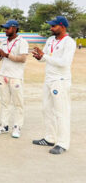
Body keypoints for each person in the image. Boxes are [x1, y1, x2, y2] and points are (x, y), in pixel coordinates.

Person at [32, 16, 76, 155]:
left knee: (61, 112)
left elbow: (64, 62)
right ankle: (50, 138)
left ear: (62, 26)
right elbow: (45, 57)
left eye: (53, 26)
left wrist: (44, 57)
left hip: (60, 80)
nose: (51, 28)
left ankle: (62, 143)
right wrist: (40, 57)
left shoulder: (69, 42)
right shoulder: (50, 40)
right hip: (49, 79)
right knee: (46, 109)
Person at [0, 20, 28, 138]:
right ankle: (3, 125)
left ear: (14, 28)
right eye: (4, 28)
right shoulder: (3, 42)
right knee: (4, 102)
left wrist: (6, 54)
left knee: (18, 103)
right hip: (3, 75)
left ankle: (17, 127)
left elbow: (23, 59)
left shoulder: (22, 42)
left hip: (15, 76)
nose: (5, 30)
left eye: (7, 28)